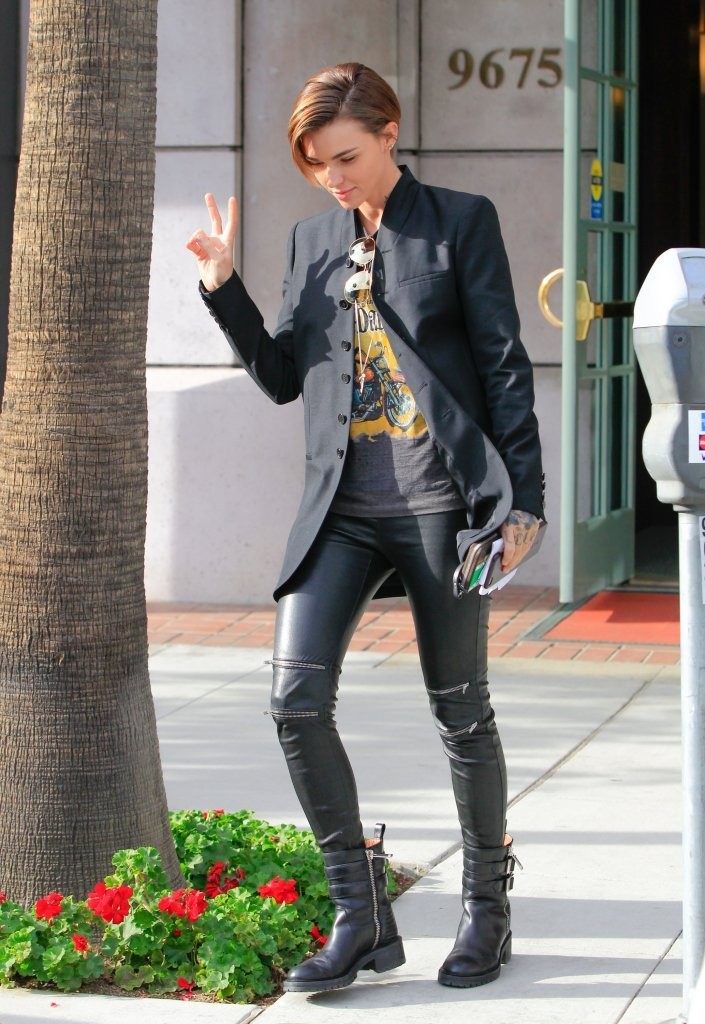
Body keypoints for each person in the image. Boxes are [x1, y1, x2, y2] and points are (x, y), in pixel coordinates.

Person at [186, 62, 544, 994]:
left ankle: (486, 909)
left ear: (389, 132)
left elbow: (502, 364)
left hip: (440, 507)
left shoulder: (459, 221)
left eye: (345, 157)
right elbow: (281, 377)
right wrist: (223, 285)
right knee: (294, 702)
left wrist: (523, 504)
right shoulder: (312, 239)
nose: (331, 177)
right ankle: (360, 915)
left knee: (460, 709)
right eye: (315, 163)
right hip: (339, 514)